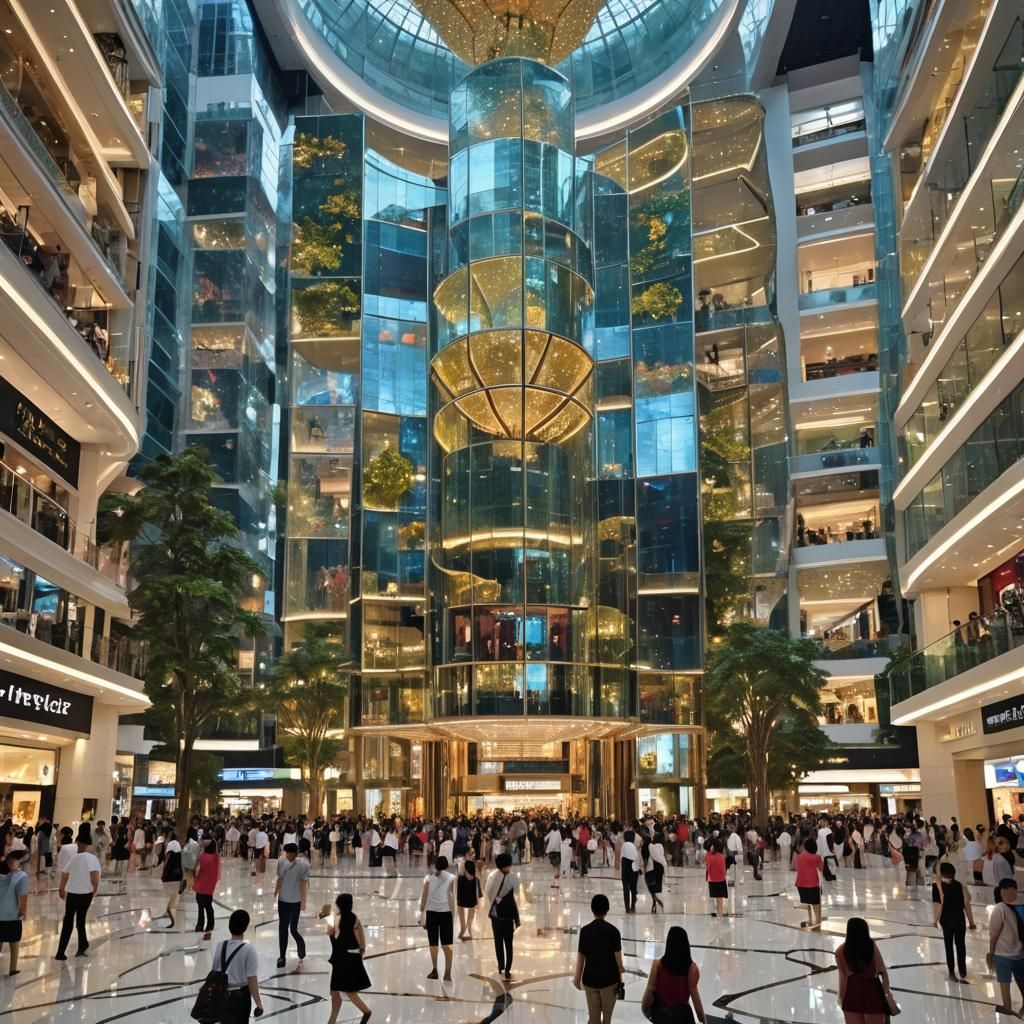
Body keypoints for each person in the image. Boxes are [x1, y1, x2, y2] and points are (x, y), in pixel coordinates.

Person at [574, 893, 624, 1024]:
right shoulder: (614, 932)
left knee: (594, 1019)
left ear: (592, 909)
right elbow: (618, 959)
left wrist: (577, 979)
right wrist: (621, 977)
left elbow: (581, 957)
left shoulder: (585, 931)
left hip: (590, 980)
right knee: (607, 1020)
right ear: (607, 910)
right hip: (609, 980)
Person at [835, 917, 895, 1023]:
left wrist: (841, 999)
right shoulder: (870, 946)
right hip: (873, 996)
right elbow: (882, 971)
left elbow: (843, 979)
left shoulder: (840, 951)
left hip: (851, 998)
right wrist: (887, 994)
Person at [641, 925, 706, 1024]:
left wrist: (647, 1012)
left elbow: (649, 991)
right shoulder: (692, 969)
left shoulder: (657, 964)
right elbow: (696, 1000)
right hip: (682, 1017)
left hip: (662, 1015)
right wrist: (703, 1020)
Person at [325, 893, 371, 1024]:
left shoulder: (336, 919)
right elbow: (361, 939)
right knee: (335, 991)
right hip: (352, 957)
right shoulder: (355, 918)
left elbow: (329, 931)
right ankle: (332, 1020)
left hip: (342, 959)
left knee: (347, 990)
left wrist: (328, 915)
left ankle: (366, 1011)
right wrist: (360, 954)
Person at [55, 828, 100, 960]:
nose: (78, 846)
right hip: (85, 894)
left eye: (79, 844)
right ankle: (82, 945)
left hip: (73, 894)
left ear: (81, 844)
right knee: (80, 920)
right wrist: (94, 890)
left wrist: (61, 888)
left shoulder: (75, 858)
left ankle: (61, 951)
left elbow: (65, 874)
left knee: (68, 920)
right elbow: (95, 876)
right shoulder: (92, 859)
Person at [213, 909, 265, 1022]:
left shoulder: (220, 946)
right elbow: (252, 980)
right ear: (245, 927)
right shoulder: (249, 950)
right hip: (241, 997)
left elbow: (215, 972)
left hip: (222, 995)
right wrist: (259, 1004)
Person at [932, 862, 975, 982]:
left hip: (946, 920)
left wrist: (935, 921)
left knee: (948, 945)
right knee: (961, 945)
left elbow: (938, 905)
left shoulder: (936, 886)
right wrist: (971, 922)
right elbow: (967, 904)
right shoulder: (960, 885)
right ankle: (962, 971)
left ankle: (951, 972)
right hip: (959, 920)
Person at [988, 877, 1024, 1016]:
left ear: (1016, 890)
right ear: (1001, 892)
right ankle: (1015, 1011)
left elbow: (994, 934)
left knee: (1005, 986)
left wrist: (991, 953)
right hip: (1015, 955)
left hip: (1005, 955)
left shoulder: (1000, 908)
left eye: (1011, 891)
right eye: (1005, 891)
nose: (1008, 894)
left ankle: (1008, 1011)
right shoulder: (1015, 907)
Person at [419, 855, 456, 981]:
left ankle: (434, 969)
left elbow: (424, 897)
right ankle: (448, 972)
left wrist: (421, 912)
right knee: (447, 943)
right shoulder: (451, 878)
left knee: (433, 943)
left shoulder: (429, 879)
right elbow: (452, 897)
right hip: (445, 912)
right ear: (446, 865)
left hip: (431, 913)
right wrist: (453, 914)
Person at [485, 852, 519, 980]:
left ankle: (501, 966)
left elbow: (489, 892)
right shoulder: (512, 878)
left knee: (498, 942)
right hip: (508, 916)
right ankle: (507, 969)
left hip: (496, 915)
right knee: (508, 943)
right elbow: (515, 893)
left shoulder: (492, 876)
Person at [274, 842, 309, 968]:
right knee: (282, 928)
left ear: (294, 853)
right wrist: (275, 892)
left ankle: (301, 944)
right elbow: (280, 878)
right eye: (286, 852)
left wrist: (304, 902)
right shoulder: (281, 862)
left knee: (293, 928)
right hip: (283, 901)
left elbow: (304, 884)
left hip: (295, 901)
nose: (287, 855)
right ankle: (282, 956)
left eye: (289, 853)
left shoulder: (303, 865)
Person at [0, 852, 28, 975]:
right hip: (12, 917)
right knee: (14, 941)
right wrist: (22, 912)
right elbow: (23, 897)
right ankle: (12, 968)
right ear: (14, 862)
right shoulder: (21, 876)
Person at [193, 840, 221, 940]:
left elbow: (196, 867)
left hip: (200, 884)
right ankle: (210, 925)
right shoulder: (215, 857)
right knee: (209, 906)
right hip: (210, 885)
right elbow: (215, 846)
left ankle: (199, 926)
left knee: (200, 907)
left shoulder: (202, 857)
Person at [794, 838, 823, 930]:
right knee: (816, 905)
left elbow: (797, 868)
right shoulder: (816, 857)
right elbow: (821, 868)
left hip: (800, 884)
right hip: (812, 884)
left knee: (806, 904)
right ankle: (818, 922)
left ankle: (809, 920)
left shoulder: (799, 856)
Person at [160, 831, 183, 928]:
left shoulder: (170, 844)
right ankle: (169, 910)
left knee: (167, 892)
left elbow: (168, 856)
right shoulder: (178, 844)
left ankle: (167, 910)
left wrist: (164, 868)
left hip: (170, 871)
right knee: (174, 892)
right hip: (177, 872)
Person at [457, 857, 481, 940]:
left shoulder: (475, 879)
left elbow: (478, 894)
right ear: (465, 871)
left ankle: (469, 929)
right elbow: (458, 893)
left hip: (471, 900)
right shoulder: (461, 879)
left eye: (472, 874)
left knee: (471, 912)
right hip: (463, 900)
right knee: (463, 910)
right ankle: (463, 929)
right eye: (469, 873)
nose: (471, 876)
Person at [705, 840, 727, 918]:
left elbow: (707, 867)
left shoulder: (708, 856)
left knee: (714, 898)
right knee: (720, 899)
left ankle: (718, 913)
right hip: (720, 879)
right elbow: (723, 869)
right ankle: (720, 915)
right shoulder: (721, 856)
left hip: (712, 879)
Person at [620, 829, 640, 913]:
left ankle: (627, 907)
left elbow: (622, 856)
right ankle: (633, 905)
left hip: (625, 866)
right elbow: (635, 857)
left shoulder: (624, 845)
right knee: (633, 887)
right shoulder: (632, 846)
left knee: (625, 888)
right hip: (633, 868)